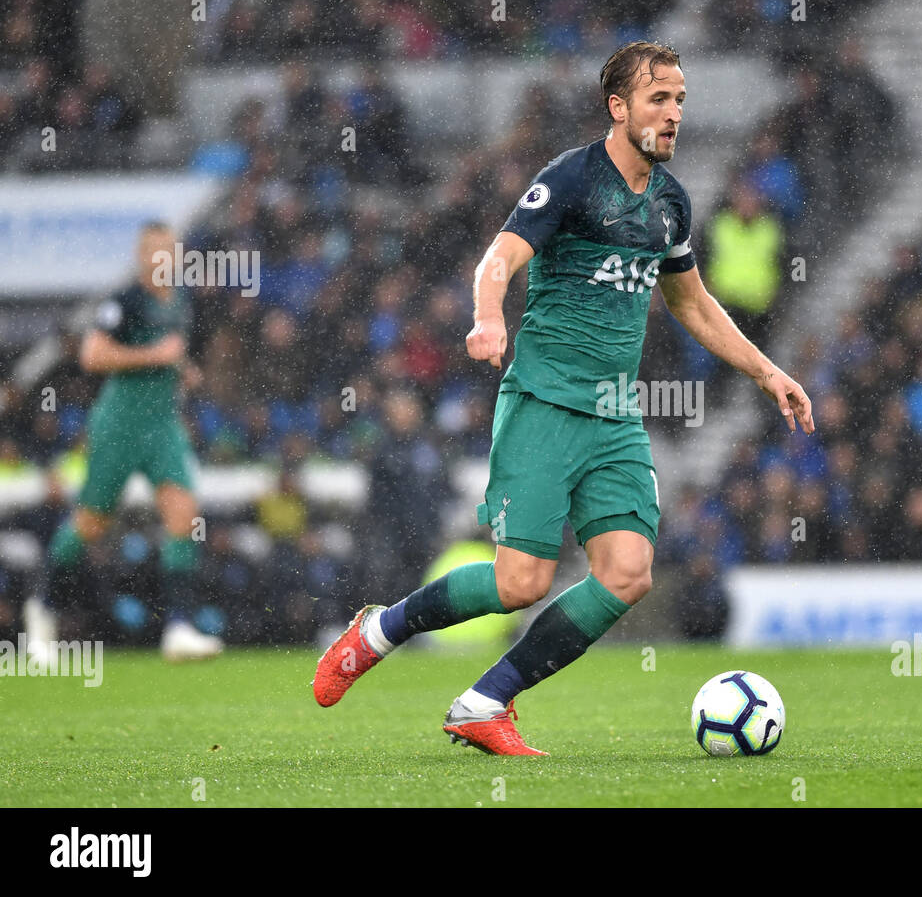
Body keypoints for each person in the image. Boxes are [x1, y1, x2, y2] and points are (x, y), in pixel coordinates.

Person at [313, 40, 815, 754]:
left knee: (628, 572)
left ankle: (484, 700)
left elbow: (694, 304)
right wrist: (489, 317)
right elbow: (500, 257)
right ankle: (380, 630)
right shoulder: (573, 180)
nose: (673, 114)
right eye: (658, 100)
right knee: (521, 582)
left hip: (615, 417)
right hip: (545, 404)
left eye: (679, 100)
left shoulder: (669, 202)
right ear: (619, 108)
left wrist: (768, 372)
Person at [26, 221, 222, 664]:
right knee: (90, 525)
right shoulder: (125, 301)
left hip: (163, 425)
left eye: (168, 250)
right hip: (119, 427)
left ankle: (178, 628)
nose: (162, 258)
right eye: (153, 251)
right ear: (141, 256)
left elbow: (170, 349)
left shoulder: (180, 300)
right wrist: (155, 357)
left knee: (183, 513)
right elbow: (91, 355)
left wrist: (182, 368)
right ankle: (42, 610)